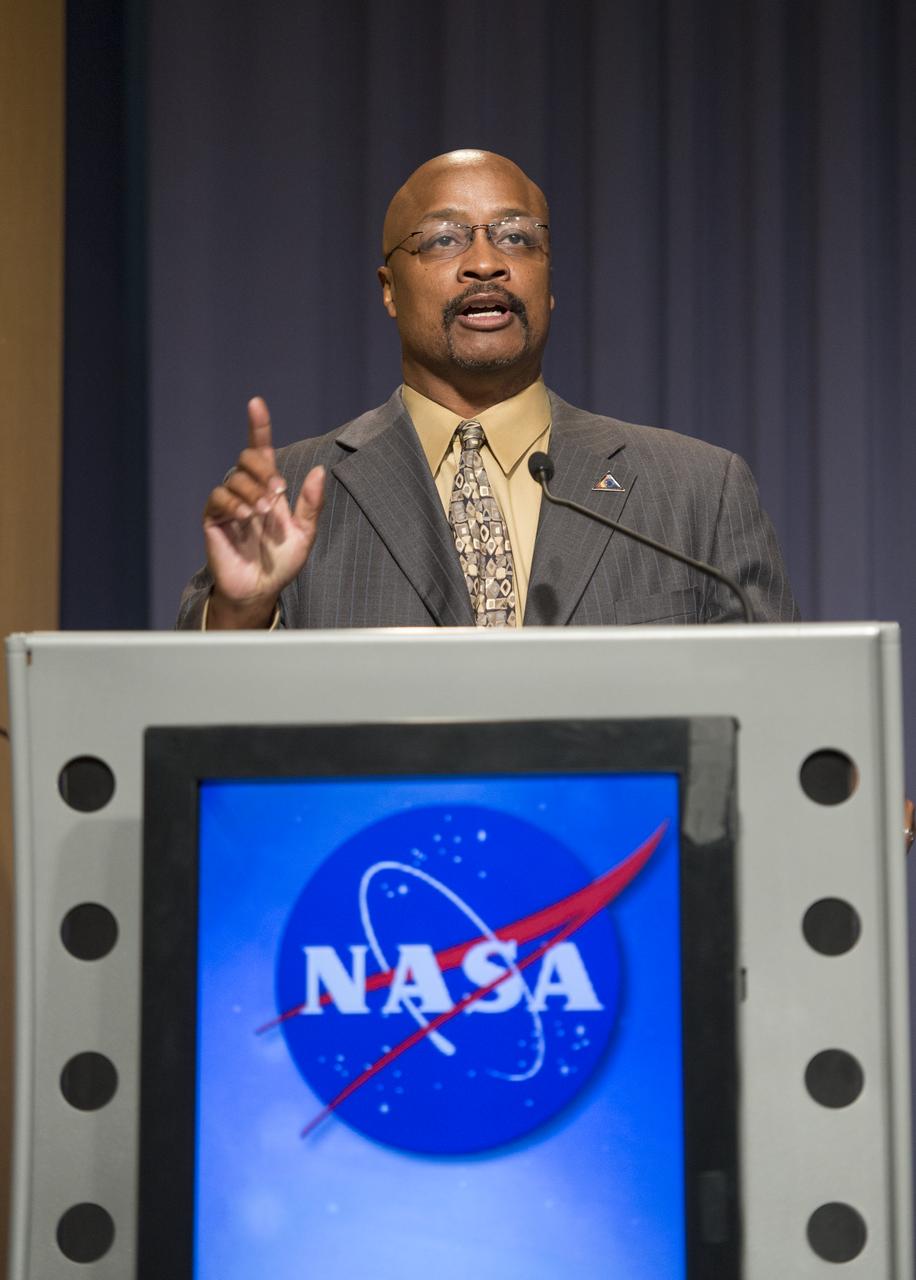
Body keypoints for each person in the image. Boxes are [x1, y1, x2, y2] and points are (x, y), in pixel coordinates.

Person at [177, 149, 798, 630]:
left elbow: (775, 708)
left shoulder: (697, 492)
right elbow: (201, 726)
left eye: (516, 237)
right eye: (444, 239)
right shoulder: (290, 497)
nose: (485, 263)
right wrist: (243, 614)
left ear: (548, 284)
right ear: (389, 289)